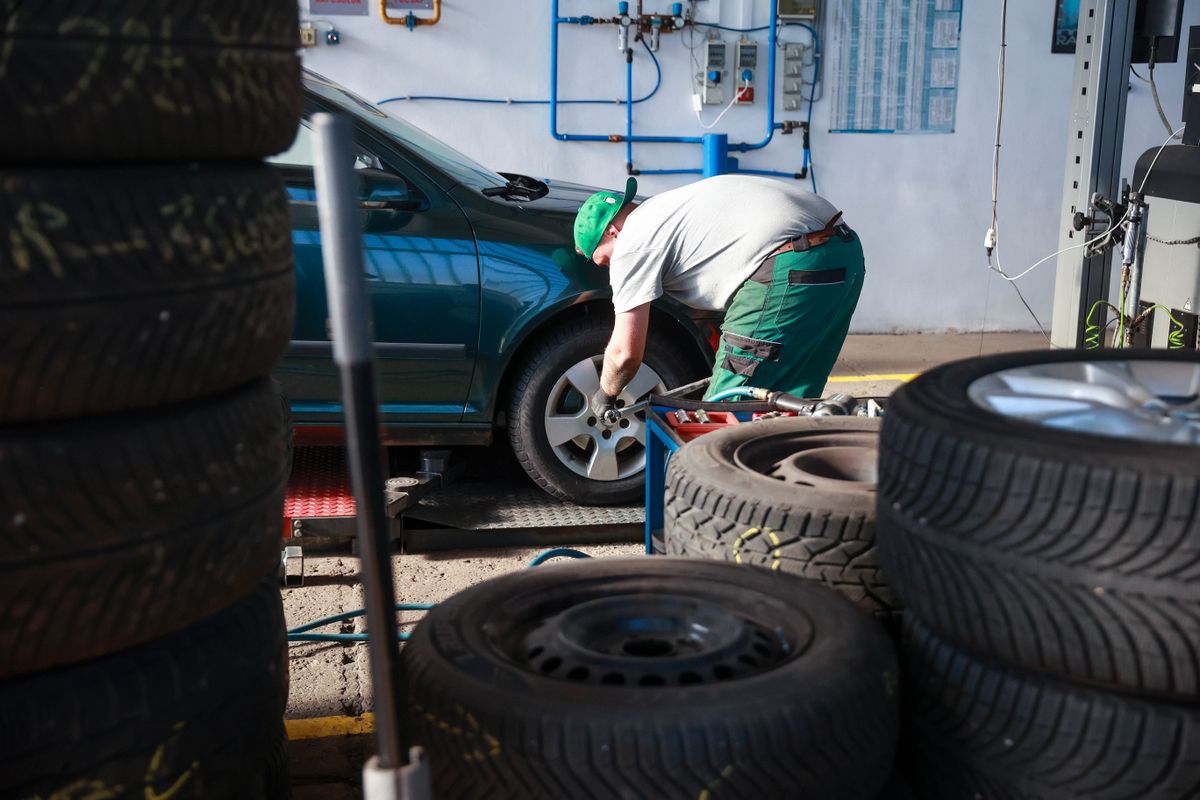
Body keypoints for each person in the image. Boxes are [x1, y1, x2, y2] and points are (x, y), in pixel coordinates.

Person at [572, 173, 865, 424]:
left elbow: (624, 355)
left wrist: (605, 395)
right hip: (844, 253)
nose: (610, 268)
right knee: (795, 400)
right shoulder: (664, 210)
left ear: (612, 232)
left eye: (604, 261)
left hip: (793, 265)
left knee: (725, 411)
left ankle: (726, 488)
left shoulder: (632, 243)